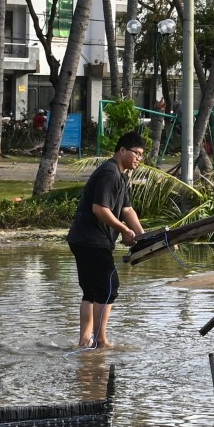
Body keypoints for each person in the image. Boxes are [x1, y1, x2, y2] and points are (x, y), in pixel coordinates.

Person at [66, 129, 147, 349]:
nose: (139, 158)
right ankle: (100, 340)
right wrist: (123, 230)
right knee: (109, 286)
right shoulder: (110, 172)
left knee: (91, 291)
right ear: (122, 150)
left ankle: (85, 340)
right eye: (136, 153)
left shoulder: (121, 175)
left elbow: (127, 209)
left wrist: (140, 235)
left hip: (82, 239)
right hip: (92, 239)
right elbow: (100, 209)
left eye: (141, 154)